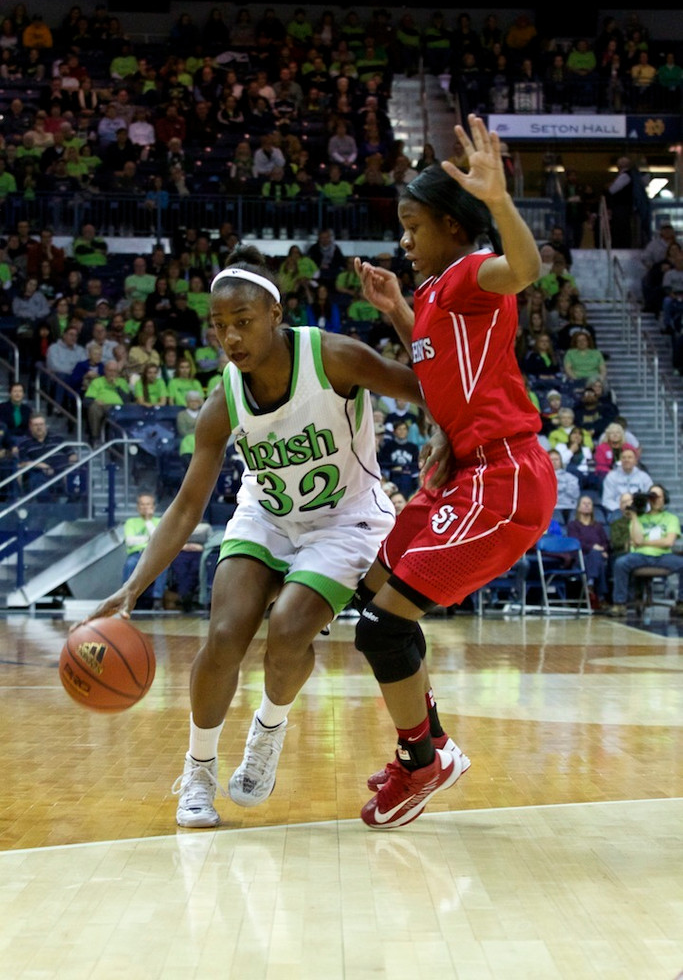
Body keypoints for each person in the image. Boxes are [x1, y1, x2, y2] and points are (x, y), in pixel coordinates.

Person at [73, 244, 446, 830]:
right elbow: (188, 504)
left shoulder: (335, 357)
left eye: (243, 322)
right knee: (223, 635)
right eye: (220, 326)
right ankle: (198, 771)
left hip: (344, 519)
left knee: (288, 631)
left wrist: (444, 434)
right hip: (267, 516)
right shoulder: (224, 398)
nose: (232, 338)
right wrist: (134, 586)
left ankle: (269, 728)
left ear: (276, 314)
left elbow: (427, 387)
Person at [349, 114, 556, 829]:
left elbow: (524, 271)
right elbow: (440, 367)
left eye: (412, 226)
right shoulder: (437, 294)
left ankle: (422, 760)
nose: (403, 240)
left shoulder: (472, 274)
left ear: (449, 225)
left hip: (502, 478)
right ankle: (429, 745)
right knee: (371, 594)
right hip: (467, 470)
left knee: (381, 627)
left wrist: (499, 203)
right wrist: (399, 311)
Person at [608, 484, 683, 618]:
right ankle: (619, 604)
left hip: (663, 556)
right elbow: (636, 540)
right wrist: (635, 516)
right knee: (620, 563)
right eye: (651, 497)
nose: (655, 500)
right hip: (640, 555)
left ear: (664, 499)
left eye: (658, 497)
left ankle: (681, 603)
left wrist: (644, 542)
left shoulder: (671, 518)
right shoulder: (639, 518)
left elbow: (668, 542)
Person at [121, 492, 169, 611]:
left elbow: (158, 541)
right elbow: (130, 541)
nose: (145, 507)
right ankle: (126, 598)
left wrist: (148, 521)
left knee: (163, 565)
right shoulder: (131, 522)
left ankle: (157, 600)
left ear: (153, 506)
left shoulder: (160, 521)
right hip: (137, 554)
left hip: (154, 555)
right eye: (142, 504)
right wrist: (148, 539)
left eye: (148, 504)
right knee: (130, 564)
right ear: (138, 507)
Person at [567, 494, 610, 607]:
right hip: (580, 558)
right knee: (597, 558)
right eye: (584, 503)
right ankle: (600, 596)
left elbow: (605, 542)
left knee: (597, 557)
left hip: (597, 557)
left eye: (589, 503)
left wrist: (603, 550)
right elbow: (576, 542)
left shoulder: (598, 526)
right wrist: (593, 548)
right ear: (578, 507)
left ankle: (590, 585)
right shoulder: (573, 525)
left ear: (592, 507)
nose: (586, 505)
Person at [601, 448, 654, 521]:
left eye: (630, 457)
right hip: (618, 512)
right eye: (624, 457)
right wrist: (624, 508)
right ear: (620, 461)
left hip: (640, 512)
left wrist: (640, 509)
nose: (626, 460)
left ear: (635, 461)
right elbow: (607, 500)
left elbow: (650, 499)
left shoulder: (644, 477)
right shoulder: (611, 477)